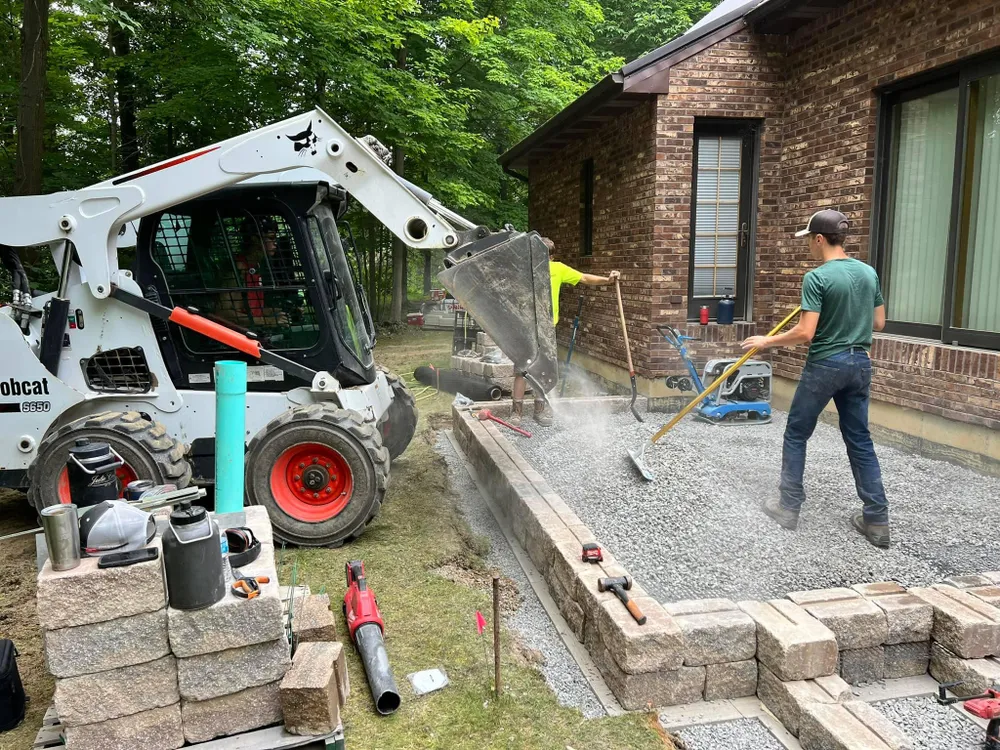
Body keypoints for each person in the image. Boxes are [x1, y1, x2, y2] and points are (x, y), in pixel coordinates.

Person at [740, 209, 890, 548]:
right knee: (860, 440)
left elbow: (806, 333)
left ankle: (788, 507)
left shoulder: (817, 277)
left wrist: (767, 340)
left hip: (826, 365)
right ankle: (877, 520)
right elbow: (878, 323)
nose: (808, 245)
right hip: (860, 364)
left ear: (820, 239)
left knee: (796, 433)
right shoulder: (868, 273)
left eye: (809, 239)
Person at [510, 237, 620, 426]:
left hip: (547, 328)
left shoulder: (558, 269)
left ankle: (540, 410)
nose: (546, 260)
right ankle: (516, 412)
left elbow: (584, 277)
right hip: (526, 327)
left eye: (548, 256)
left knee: (543, 370)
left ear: (552, 256)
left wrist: (608, 281)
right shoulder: (524, 270)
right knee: (522, 370)